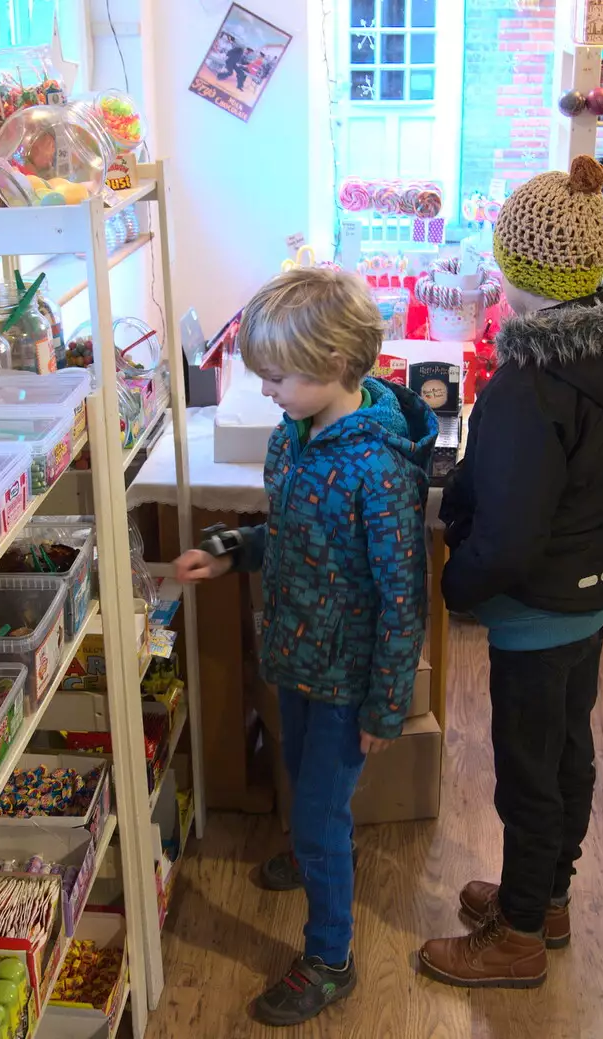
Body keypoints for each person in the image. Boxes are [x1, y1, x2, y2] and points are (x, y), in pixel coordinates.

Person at [417, 155, 603, 989]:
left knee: (527, 768)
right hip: (597, 591)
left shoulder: (532, 382)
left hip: (538, 606)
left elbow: (513, 536)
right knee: (568, 747)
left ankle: (520, 934)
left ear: (512, 268)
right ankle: (547, 893)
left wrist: (453, 587)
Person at [175, 267, 435, 1025]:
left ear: (331, 367)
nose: (268, 392)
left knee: (321, 810)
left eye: (277, 377)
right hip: (296, 653)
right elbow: (291, 537)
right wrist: (230, 548)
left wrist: (386, 705)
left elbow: (403, 595)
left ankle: (330, 955)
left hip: (350, 678)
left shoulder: (378, 468)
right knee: (298, 776)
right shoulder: (296, 438)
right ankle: (314, 850)